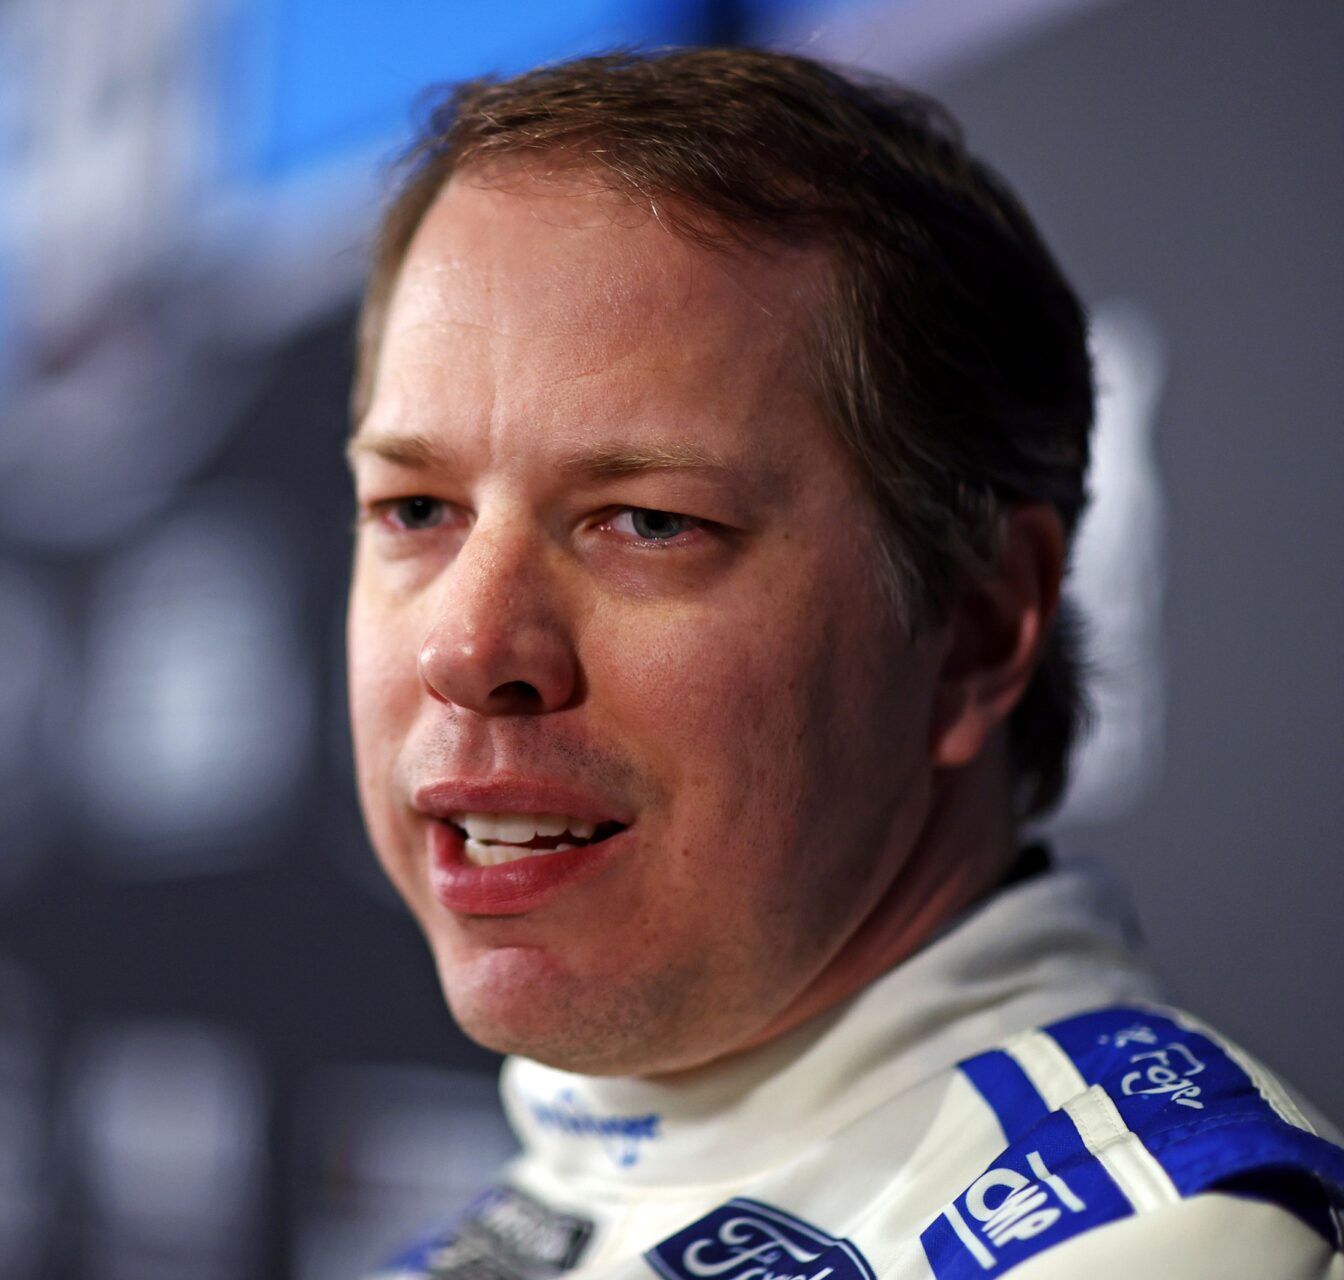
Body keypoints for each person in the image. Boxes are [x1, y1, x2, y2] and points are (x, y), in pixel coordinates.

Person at [342, 47, 1342, 1279]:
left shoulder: (1177, 1243)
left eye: (651, 521)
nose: (467, 645)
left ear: (977, 629)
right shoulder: (515, 1217)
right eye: (415, 509)